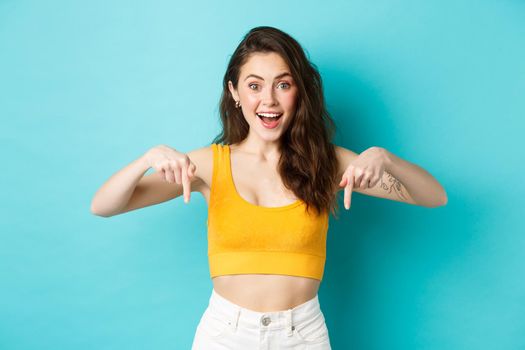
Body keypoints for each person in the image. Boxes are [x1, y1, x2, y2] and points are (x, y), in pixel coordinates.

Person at [90, 26, 448, 349]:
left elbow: (435, 196)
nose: (269, 101)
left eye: (283, 84)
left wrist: (384, 158)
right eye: (254, 85)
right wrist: (146, 159)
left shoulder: (326, 163)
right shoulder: (209, 165)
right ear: (234, 92)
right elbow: (104, 205)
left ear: (299, 91)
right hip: (224, 335)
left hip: (303, 335)